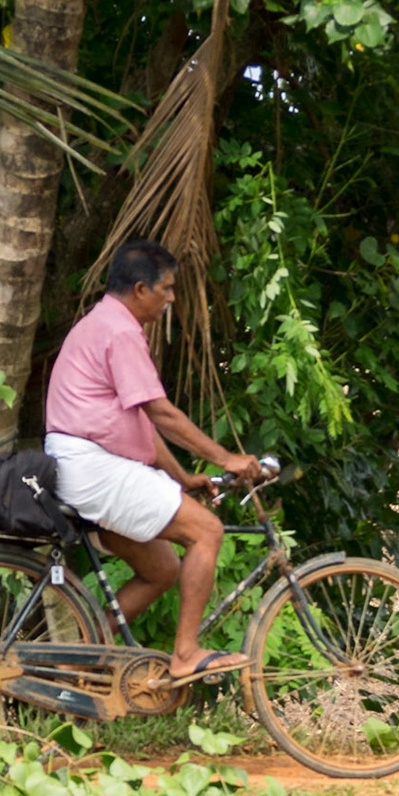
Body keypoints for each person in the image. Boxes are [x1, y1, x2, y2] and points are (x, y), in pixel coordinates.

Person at [44, 239, 262, 681]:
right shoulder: (120, 331)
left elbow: (139, 422)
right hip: (93, 469)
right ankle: (186, 653)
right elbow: (161, 413)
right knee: (207, 530)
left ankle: (79, 659)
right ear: (141, 289)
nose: (172, 298)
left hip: (88, 468)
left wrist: (182, 477)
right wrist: (227, 458)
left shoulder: (103, 322)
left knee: (161, 569)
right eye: (167, 288)